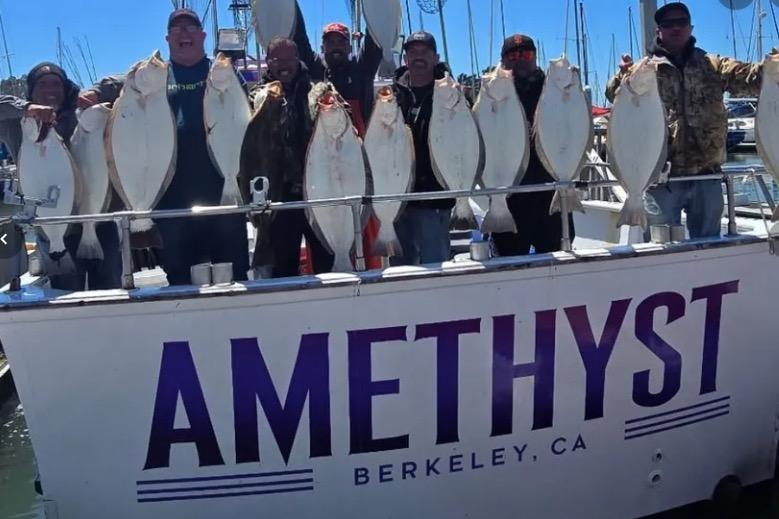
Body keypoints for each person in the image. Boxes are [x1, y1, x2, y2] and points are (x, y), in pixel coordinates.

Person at [82, 9, 250, 285]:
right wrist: (98, 91)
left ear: (202, 36)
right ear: (168, 39)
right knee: (182, 280)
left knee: (233, 276)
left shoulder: (224, 74)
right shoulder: (156, 75)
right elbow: (125, 87)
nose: (184, 33)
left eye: (191, 28)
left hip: (224, 194)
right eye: (177, 29)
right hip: (169, 199)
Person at [606, 2, 762, 239]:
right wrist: (622, 74)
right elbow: (612, 93)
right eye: (668, 24)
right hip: (660, 178)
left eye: (681, 22)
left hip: (707, 173)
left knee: (708, 243)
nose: (675, 28)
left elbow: (751, 79)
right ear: (659, 31)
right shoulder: (643, 69)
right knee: (660, 248)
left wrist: (773, 66)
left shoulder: (713, 65)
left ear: (691, 28)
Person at [0, 62, 122, 291]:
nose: (50, 90)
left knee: (111, 295)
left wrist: (96, 90)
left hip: (99, 222)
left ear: (66, 88)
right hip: (53, 230)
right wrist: (26, 108)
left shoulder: (83, 114)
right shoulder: (15, 124)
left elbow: (125, 81)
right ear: (31, 90)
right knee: (64, 296)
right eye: (42, 84)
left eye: (56, 84)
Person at [242, 37, 334, 279]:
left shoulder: (319, 91)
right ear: (267, 62)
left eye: (289, 58)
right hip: (278, 200)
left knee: (329, 263)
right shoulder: (255, 98)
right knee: (283, 270)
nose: (283, 65)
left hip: (318, 194)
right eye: (276, 59)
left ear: (298, 60)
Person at [491, 34, 576, 257]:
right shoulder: (492, 91)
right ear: (503, 60)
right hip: (510, 196)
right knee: (507, 262)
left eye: (526, 54)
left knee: (557, 260)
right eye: (513, 55)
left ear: (536, 57)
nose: (519, 59)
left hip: (551, 193)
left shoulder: (554, 88)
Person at [391, 32, 453, 266]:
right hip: (398, 201)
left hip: (433, 201)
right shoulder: (392, 96)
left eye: (424, 52)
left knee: (435, 269)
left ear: (435, 57)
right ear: (405, 59)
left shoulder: (450, 93)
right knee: (401, 273)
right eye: (413, 52)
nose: (418, 57)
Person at [291, 3, 383, 136]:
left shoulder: (362, 68)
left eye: (341, 42)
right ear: (322, 48)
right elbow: (299, 37)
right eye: (331, 42)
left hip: (360, 147)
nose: (336, 46)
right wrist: (291, 4)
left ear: (350, 48)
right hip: (324, 146)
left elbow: (374, 38)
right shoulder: (314, 67)